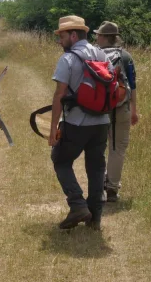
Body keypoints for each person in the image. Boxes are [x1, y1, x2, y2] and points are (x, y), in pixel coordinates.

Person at [48, 15, 111, 230]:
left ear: (73, 35)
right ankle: (95, 217)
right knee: (95, 167)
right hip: (102, 122)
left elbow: (59, 95)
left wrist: (52, 130)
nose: (60, 41)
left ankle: (77, 204)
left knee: (60, 159)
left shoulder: (68, 59)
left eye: (62, 36)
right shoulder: (102, 54)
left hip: (76, 123)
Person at [93, 21, 139, 202]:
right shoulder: (126, 56)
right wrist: (134, 110)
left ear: (104, 37)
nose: (96, 37)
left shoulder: (93, 54)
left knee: (98, 147)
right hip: (121, 107)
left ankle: (98, 186)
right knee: (117, 148)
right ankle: (112, 189)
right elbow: (132, 85)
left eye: (98, 34)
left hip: (97, 108)